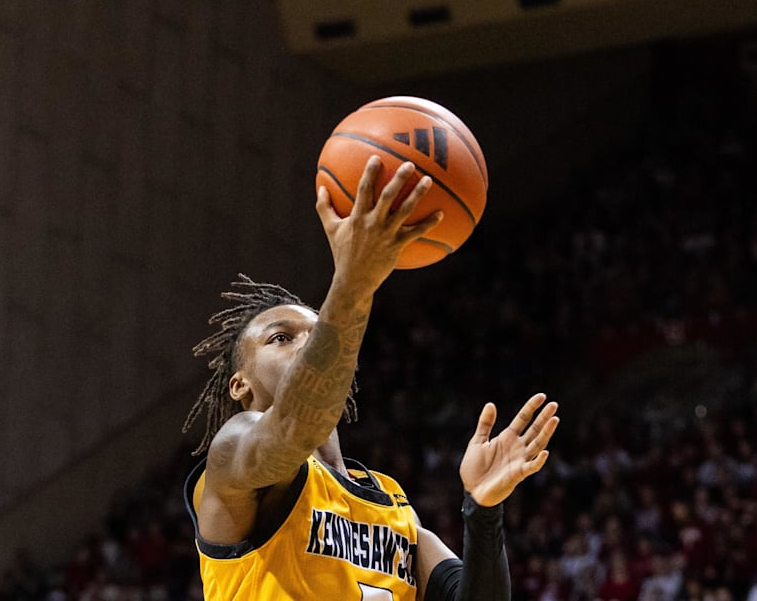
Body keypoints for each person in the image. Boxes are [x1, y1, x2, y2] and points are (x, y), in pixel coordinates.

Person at [181, 156, 560, 600]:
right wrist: (355, 277)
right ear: (239, 383)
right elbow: (293, 430)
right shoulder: (233, 454)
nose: (308, 343)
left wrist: (483, 510)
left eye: (318, 331)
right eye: (282, 337)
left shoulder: (391, 501)